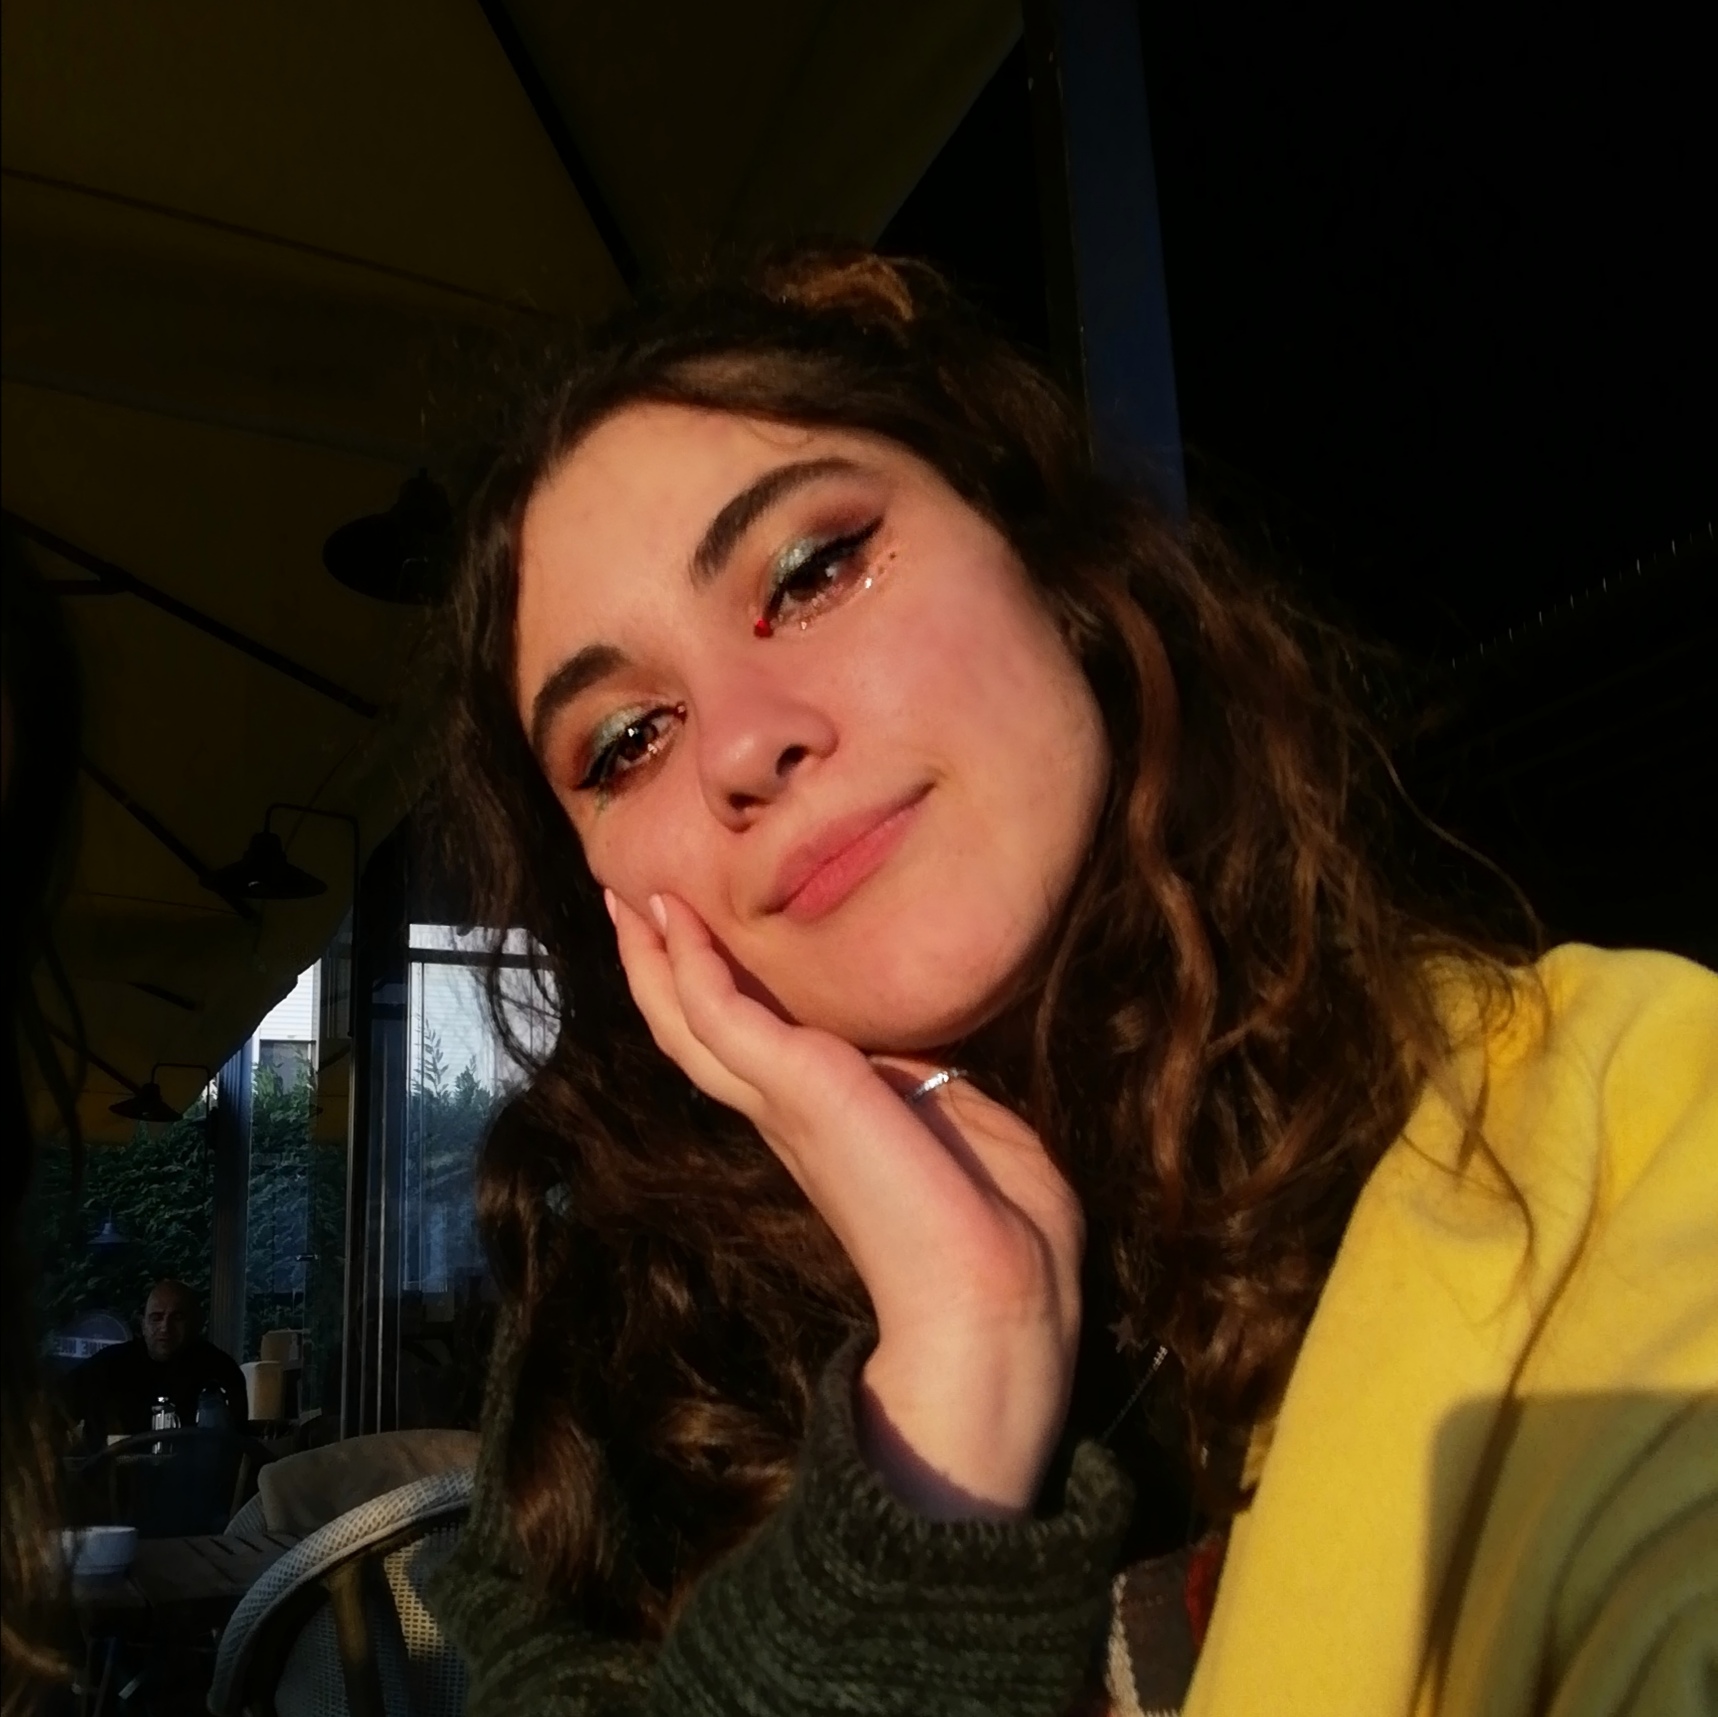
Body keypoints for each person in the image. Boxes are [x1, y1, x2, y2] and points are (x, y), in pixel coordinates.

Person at [424, 251, 1717, 1717]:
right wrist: (945, 1404)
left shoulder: (1588, 1130)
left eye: (813, 569)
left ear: (1039, 560)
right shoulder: (608, 1364)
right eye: (625, 742)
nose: (736, 746)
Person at [63, 1280, 247, 1445]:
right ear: (143, 1325)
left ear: (197, 1322)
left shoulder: (220, 1371)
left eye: (177, 1317)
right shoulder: (106, 1366)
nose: (165, 1327)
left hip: (194, 1472)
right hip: (109, 1471)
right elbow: (56, 1411)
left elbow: (237, 1443)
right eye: (156, 1318)